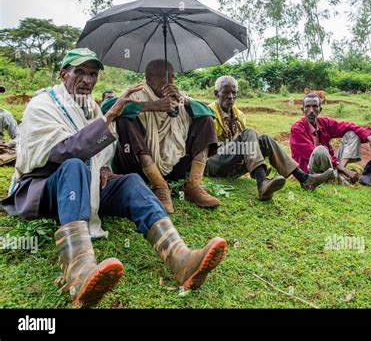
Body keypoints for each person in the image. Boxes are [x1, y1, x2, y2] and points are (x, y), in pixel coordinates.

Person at [1, 48, 227, 308]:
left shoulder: (89, 109)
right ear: (64, 75)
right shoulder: (43, 105)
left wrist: (105, 168)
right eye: (80, 72)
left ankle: (180, 258)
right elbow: (66, 152)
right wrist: (111, 115)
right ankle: (79, 272)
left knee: (130, 181)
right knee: (74, 165)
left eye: (93, 74)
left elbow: (103, 150)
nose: (87, 80)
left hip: (87, 186)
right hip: (47, 188)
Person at [102, 59, 220, 213]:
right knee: (125, 118)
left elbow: (209, 112)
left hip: (175, 168)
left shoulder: (179, 97)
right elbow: (106, 107)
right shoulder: (137, 93)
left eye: (171, 77)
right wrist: (151, 106)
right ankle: (160, 187)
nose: (169, 81)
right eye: (163, 76)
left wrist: (183, 101)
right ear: (149, 79)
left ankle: (193, 186)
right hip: (137, 167)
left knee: (205, 119)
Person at [205, 76, 331, 198]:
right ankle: (262, 182)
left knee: (264, 139)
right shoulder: (209, 114)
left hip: (231, 165)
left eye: (234, 93)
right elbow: (205, 150)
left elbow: (242, 145)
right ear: (216, 93)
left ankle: (304, 179)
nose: (230, 97)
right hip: (212, 164)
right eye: (225, 92)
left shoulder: (239, 115)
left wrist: (246, 158)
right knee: (249, 133)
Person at [290, 93, 371, 185]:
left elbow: (348, 126)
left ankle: (338, 172)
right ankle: (339, 175)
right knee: (320, 150)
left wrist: (370, 138)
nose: (311, 110)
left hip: (331, 164)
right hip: (310, 170)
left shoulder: (324, 123)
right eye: (307, 107)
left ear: (320, 110)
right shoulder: (297, 128)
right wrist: (340, 166)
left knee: (352, 135)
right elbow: (311, 153)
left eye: (315, 106)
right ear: (302, 110)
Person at [0, 85, 19, 165]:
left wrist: (9, 144)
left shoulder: (4, 114)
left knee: (21, 152)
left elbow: (18, 136)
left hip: (2, 150)